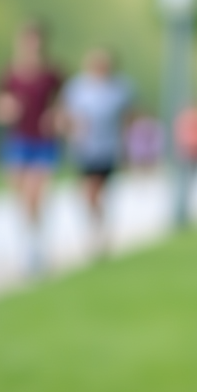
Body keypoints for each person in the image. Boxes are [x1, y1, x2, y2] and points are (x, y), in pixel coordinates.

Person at [0, 21, 62, 274]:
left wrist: (57, 116)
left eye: (35, 40)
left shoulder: (53, 74)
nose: (31, 45)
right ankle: (30, 241)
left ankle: (35, 249)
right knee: (22, 198)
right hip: (17, 141)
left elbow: (66, 104)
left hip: (43, 141)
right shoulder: (8, 73)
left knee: (34, 194)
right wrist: (4, 109)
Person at [61, 48, 135, 257]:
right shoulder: (77, 87)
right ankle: (96, 228)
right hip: (83, 148)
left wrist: (128, 148)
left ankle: (100, 230)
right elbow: (66, 113)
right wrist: (70, 128)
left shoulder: (120, 88)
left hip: (109, 147)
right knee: (88, 192)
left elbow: (128, 118)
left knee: (100, 191)